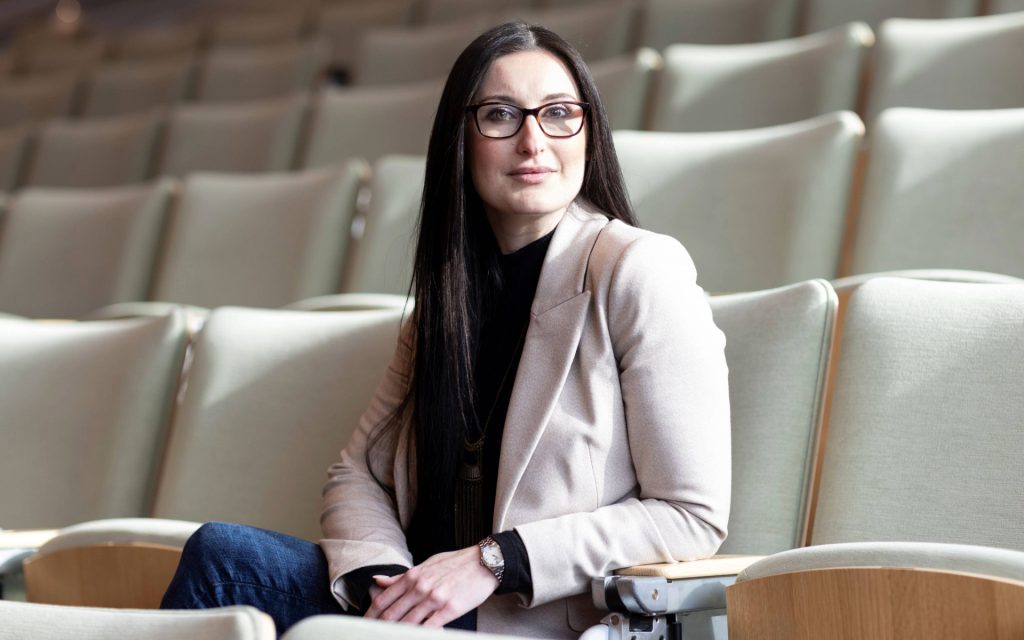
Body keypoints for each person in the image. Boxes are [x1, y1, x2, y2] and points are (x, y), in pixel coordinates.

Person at [161, 21, 730, 639]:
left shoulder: (638, 270)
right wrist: (384, 580)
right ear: (461, 140)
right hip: (426, 618)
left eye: (560, 113)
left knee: (224, 568)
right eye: (501, 115)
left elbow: (688, 515)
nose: (533, 140)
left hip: (534, 623)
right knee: (220, 558)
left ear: (589, 132)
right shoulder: (446, 304)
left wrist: (495, 561)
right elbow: (358, 474)